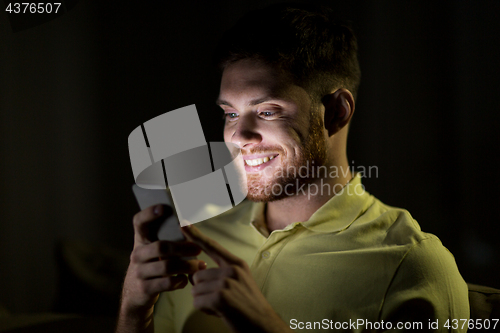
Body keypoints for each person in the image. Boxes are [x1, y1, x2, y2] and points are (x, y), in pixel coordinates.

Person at [116, 4, 469, 333]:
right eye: (231, 113)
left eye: (267, 111)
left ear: (336, 112)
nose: (238, 136)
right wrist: (134, 307)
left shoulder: (411, 264)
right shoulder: (199, 236)